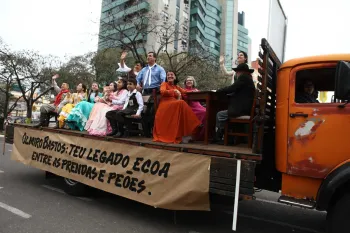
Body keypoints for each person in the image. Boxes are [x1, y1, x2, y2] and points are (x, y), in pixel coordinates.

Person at [153, 71, 201, 144]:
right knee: (181, 102)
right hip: (165, 104)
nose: (169, 76)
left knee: (180, 103)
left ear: (175, 77)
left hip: (175, 104)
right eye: (168, 75)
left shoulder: (177, 86)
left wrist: (193, 91)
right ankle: (193, 124)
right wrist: (173, 91)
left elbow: (185, 92)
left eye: (171, 75)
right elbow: (162, 92)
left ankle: (189, 129)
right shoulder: (164, 84)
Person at [213, 63, 256, 143]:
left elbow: (232, 88)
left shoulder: (243, 77)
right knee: (224, 113)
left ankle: (220, 137)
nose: (236, 73)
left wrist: (218, 90)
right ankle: (228, 137)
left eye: (237, 72)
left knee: (220, 114)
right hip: (246, 108)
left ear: (240, 72)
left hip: (242, 109)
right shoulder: (248, 78)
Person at [184, 76, 206, 141]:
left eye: (191, 80)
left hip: (199, 106)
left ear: (193, 82)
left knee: (207, 111)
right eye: (187, 80)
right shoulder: (184, 90)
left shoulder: (197, 90)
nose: (189, 81)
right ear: (185, 83)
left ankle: (204, 134)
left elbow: (202, 99)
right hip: (190, 107)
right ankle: (199, 125)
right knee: (204, 112)